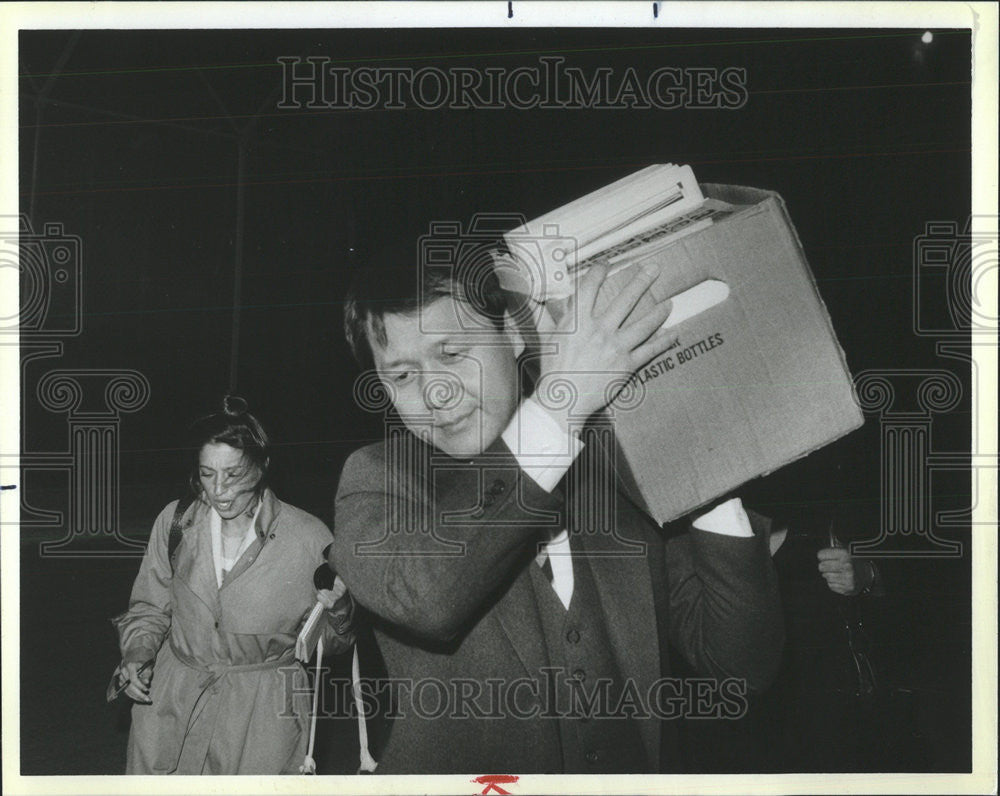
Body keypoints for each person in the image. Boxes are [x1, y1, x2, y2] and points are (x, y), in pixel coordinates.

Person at [329, 246, 785, 774]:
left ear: (517, 336)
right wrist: (561, 405)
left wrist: (708, 470)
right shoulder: (376, 481)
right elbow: (429, 597)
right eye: (402, 376)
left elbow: (742, 669)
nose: (435, 392)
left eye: (453, 353)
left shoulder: (616, 474)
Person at [111, 396, 355, 774]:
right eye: (207, 474)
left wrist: (339, 613)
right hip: (172, 707)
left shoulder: (309, 538)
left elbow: (326, 647)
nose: (219, 489)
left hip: (263, 718)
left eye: (234, 474)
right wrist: (138, 653)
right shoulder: (176, 523)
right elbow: (149, 607)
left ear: (263, 466)